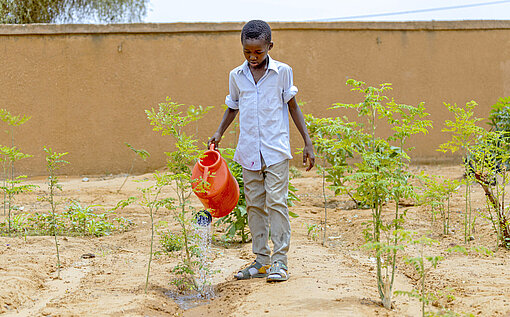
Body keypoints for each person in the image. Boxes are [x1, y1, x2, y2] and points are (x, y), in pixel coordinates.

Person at [208, 20, 315, 282]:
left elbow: (293, 107)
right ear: (242, 48)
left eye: (258, 52)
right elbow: (232, 106)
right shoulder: (237, 75)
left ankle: (280, 262)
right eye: (247, 52)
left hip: (275, 150)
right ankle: (261, 261)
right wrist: (219, 133)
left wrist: (307, 141)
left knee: (276, 203)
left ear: (270, 46)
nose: (253, 57)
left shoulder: (283, 72)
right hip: (249, 152)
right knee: (255, 205)